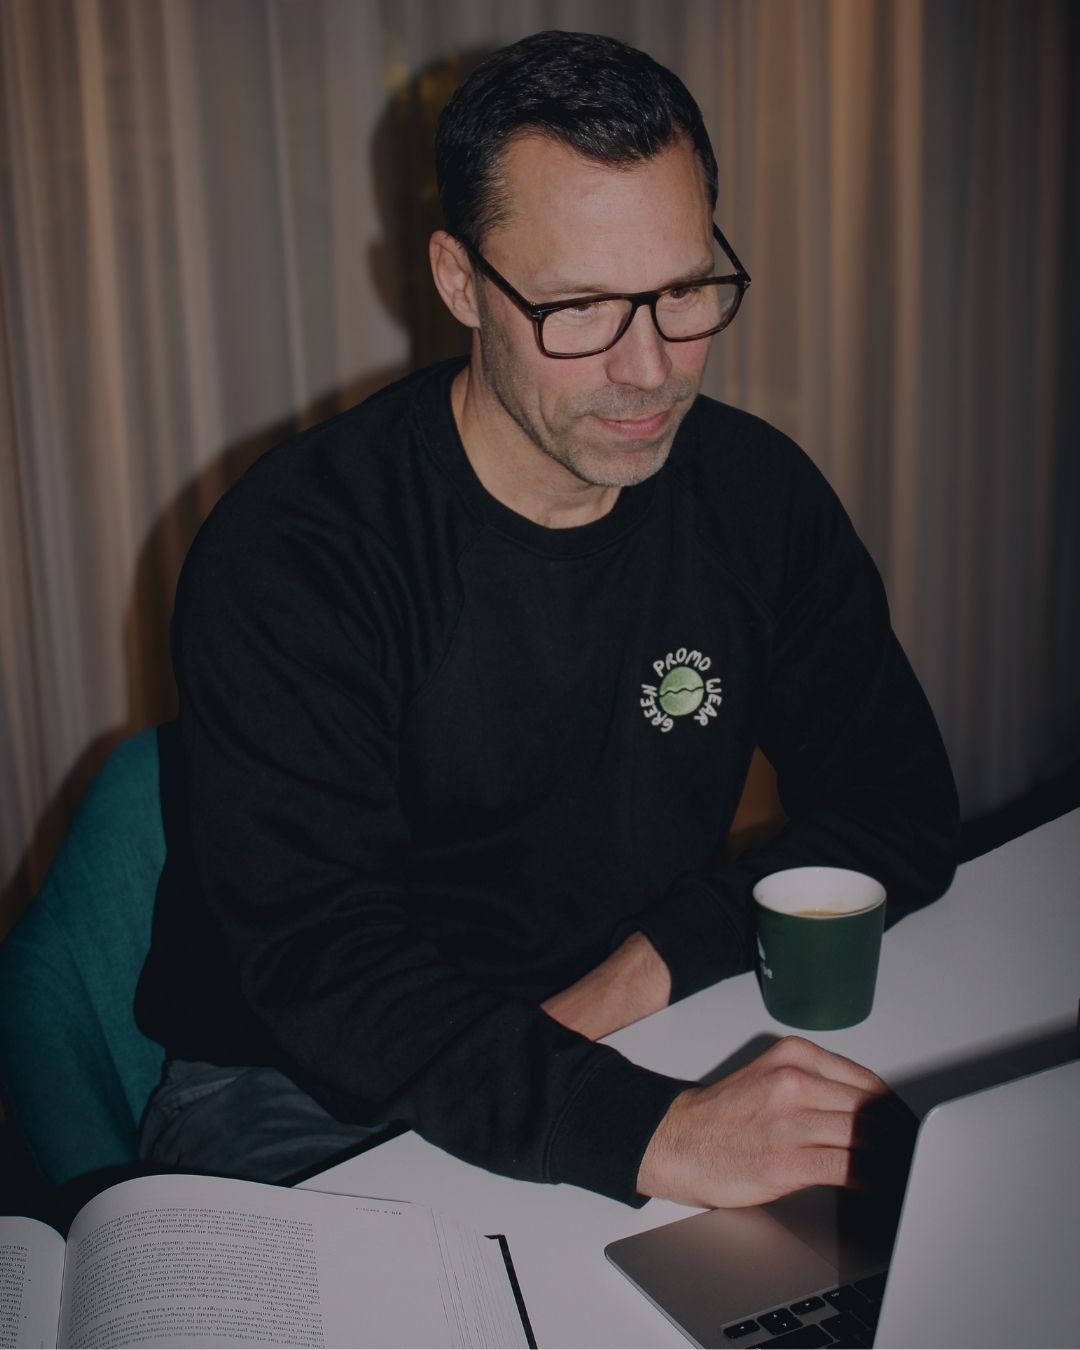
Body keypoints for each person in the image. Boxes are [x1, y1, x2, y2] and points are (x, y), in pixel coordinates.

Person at [135, 30, 958, 1210]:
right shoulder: (298, 552)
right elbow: (324, 965)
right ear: (460, 280)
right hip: (300, 1086)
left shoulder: (753, 493)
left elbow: (897, 808)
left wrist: (653, 963)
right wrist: (647, 1128)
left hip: (631, 1029)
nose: (650, 368)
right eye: (577, 307)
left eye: (683, 290)